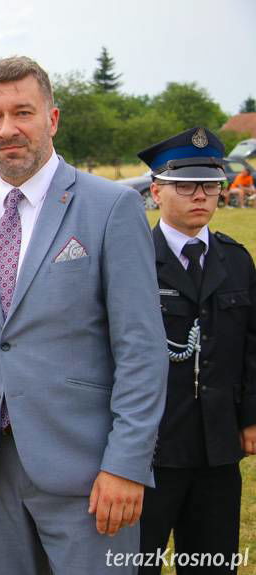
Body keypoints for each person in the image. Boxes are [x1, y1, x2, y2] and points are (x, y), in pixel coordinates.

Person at [0, 56, 168, 574]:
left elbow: (141, 350)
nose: (7, 129)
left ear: (52, 119)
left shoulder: (111, 207)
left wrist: (126, 463)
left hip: (87, 471)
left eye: (22, 112)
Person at [137, 127, 256, 574]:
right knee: (135, 560)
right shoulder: (134, 259)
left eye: (210, 185)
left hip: (216, 445)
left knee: (211, 560)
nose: (200, 196)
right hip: (151, 447)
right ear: (156, 190)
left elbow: (250, 344)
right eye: (185, 185)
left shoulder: (235, 258)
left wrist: (250, 417)